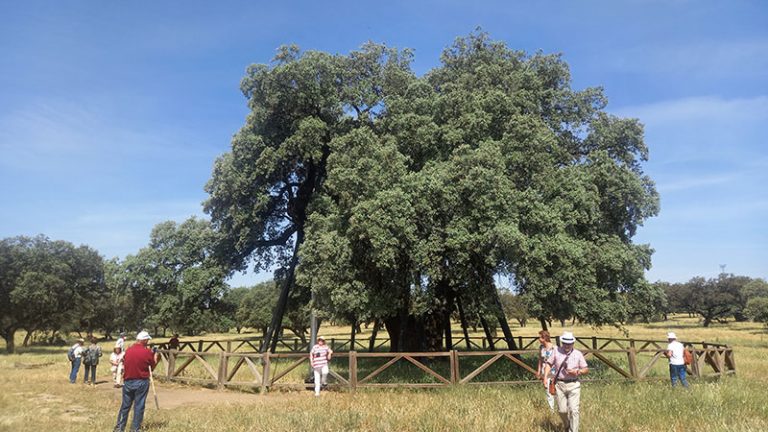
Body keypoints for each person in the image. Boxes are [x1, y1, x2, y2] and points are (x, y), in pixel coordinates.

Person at [114, 331, 160, 432]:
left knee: (125, 406)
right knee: (139, 406)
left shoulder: (129, 350)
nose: (148, 341)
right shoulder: (147, 352)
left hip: (128, 381)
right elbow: (152, 367)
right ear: (144, 340)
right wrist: (155, 356)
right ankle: (135, 429)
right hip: (141, 381)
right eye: (147, 340)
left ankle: (119, 427)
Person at [544, 331, 588, 432]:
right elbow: (549, 363)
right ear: (562, 342)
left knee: (574, 410)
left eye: (569, 343)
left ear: (573, 343)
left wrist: (577, 371)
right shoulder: (556, 351)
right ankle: (567, 424)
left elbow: (585, 369)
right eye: (565, 343)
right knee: (562, 410)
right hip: (560, 384)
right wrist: (546, 377)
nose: (567, 345)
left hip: (574, 385)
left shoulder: (578, 354)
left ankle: (573, 430)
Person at [535, 330, 555, 412]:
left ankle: (560, 408)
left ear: (545, 338)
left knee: (555, 389)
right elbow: (540, 360)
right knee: (547, 390)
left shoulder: (554, 347)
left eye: (540, 337)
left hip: (553, 371)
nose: (539, 339)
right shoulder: (541, 348)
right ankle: (552, 410)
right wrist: (539, 371)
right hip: (544, 371)